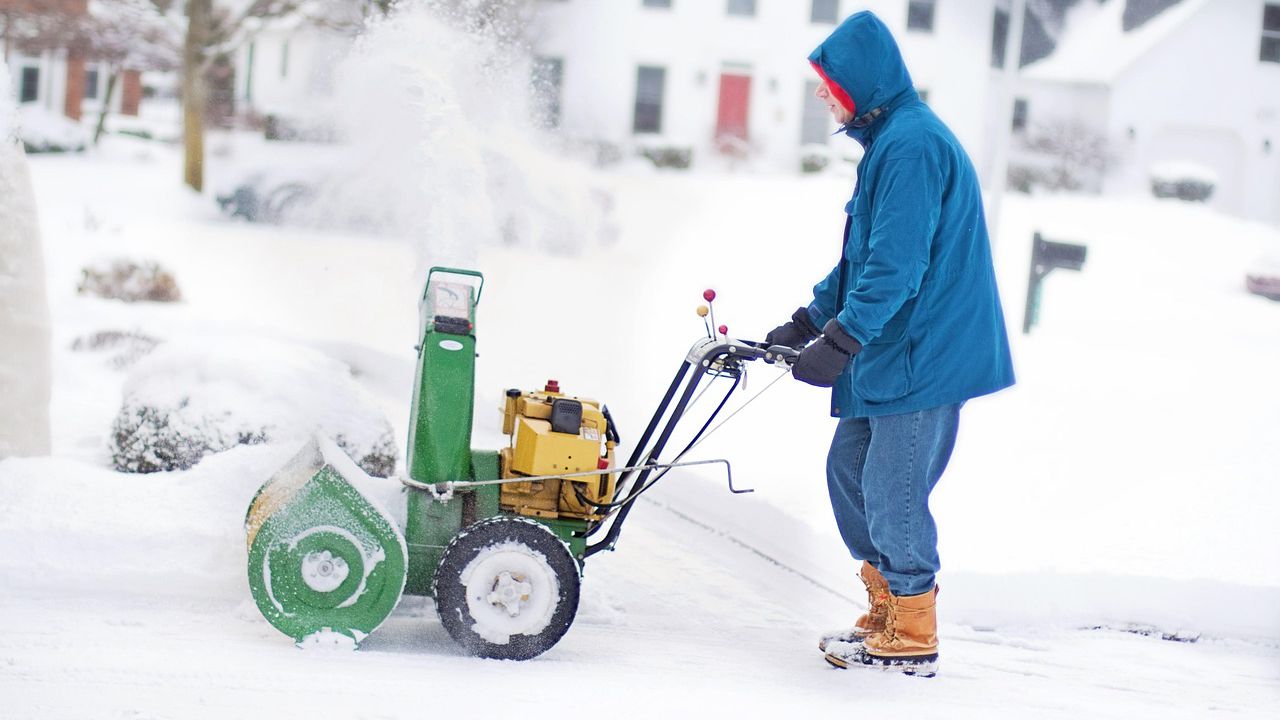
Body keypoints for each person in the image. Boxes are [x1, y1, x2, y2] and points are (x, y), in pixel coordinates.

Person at [765, 11, 1015, 677]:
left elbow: (896, 268)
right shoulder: (891, 142)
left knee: (892, 487)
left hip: (927, 350)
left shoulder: (911, 147)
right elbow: (865, 256)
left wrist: (841, 341)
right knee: (850, 471)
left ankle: (912, 634)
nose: (822, 94)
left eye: (829, 82)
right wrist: (809, 317)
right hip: (899, 342)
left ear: (863, 83)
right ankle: (886, 607)